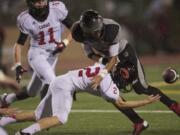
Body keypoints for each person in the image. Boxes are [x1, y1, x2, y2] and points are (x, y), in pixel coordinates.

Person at [71, 9, 180, 135]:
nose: (98, 33)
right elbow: (90, 54)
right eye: (94, 31)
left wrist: (104, 71)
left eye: (99, 29)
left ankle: (174, 105)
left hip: (124, 53)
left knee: (141, 88)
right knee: (111, 94)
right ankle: (138, 122)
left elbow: (114, 58)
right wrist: (102, 60)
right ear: (85, 30)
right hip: (107, 58)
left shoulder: (112, 28)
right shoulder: (78, 32)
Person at [0, 63, 160, 135]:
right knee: (60, 118)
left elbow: (108, 61)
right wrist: (146, 101)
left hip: (60, 80)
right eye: (125, 76)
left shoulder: (103, 66)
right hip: (65, 86)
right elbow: (123, 104)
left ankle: (3, 122)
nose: (125, 80)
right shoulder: (108, 85)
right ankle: (25, 133)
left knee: (38, 115)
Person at [0, 0, 73, 107]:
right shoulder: (25, 19)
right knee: (52, 82)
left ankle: (5, 99)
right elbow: (19, 44)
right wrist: (18, 64)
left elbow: (74, 28)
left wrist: (65, 42)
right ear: (30, 3)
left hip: (53, 55)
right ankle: (44, 115)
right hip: (37, 54)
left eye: (43, 1)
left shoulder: (57, 9)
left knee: (32, 92)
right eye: (37, 2)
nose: (41, 4)